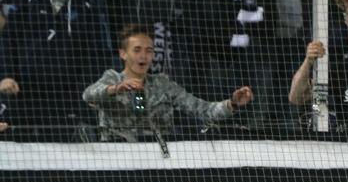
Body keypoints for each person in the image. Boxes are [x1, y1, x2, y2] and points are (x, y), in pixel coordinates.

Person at [82, 24, 253, 150]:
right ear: (123, 54)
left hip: (158, 158)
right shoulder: (112, 78)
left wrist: (232, 103)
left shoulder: (163, 84)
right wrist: (116, 88)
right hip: (117, 156)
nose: (144, 56)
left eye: (149, 50)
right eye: (137, 50)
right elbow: (88, 95)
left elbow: (203, 109)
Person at [0, 0, 110, 136]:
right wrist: (6, 75)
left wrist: (88, 89)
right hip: (23, 92)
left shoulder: (88, 4)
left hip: (66, 98)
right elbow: (8, 39)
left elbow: (97, 51)